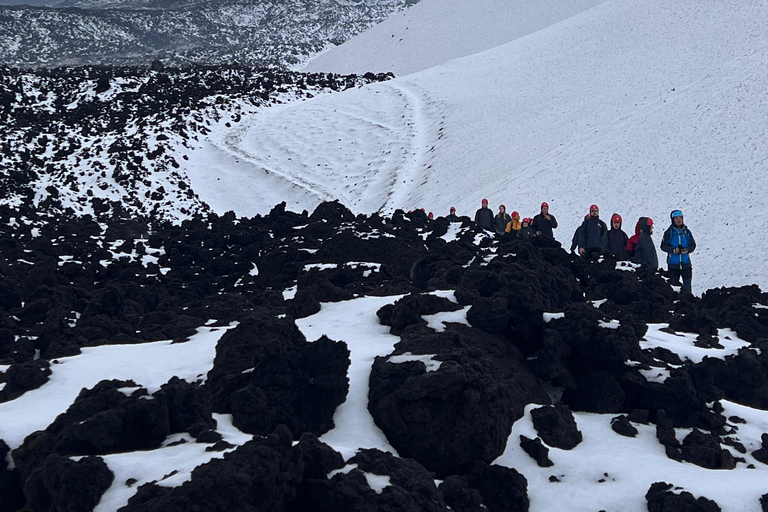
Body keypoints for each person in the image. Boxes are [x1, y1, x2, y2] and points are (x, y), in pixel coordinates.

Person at [660, 209, 696, 293]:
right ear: (673, 220)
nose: (679, 220)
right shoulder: (668, 233)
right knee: (674, 289)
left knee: (687, 290)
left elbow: (693, 245)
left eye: (680, 218)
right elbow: (663, 246)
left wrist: (687, 250)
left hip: (686, 265)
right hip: (673, 266)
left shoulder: (687, 232)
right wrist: (673, 250)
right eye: (676, 218)